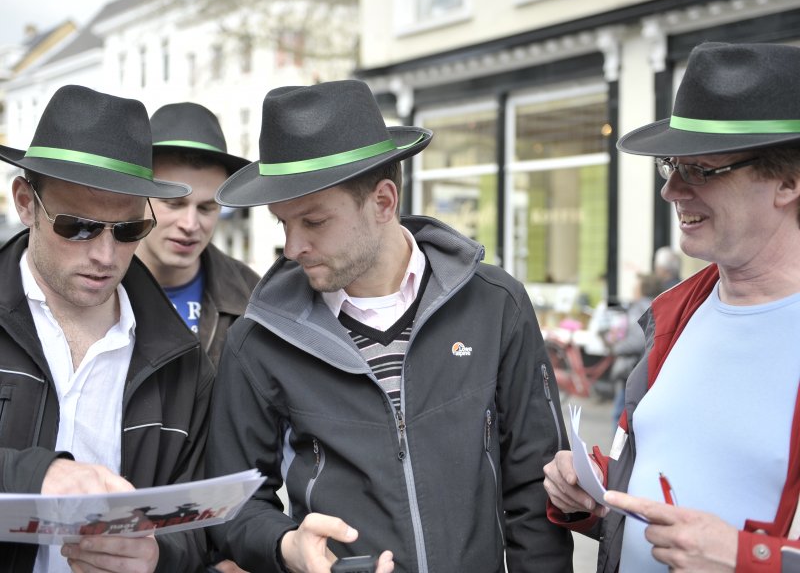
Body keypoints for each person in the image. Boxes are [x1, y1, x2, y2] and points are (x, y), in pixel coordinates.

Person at [205, 79, 573, 573]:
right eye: (282, 224)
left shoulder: (495, 304)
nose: (292, 247)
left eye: (313, 222)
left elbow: (536, 486)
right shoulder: (258, 340)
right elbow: (232, 504)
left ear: (382, 201)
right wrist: (285, 544)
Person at [543, 41, 800, 573]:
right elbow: (676, 492)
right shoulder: (678, 312)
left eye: (702, 170)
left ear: (788, 183)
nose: (672, 190)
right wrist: (597, 491)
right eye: (670, 165)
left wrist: (746, 558)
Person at [0, 85, 215, 572]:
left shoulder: (183, 362)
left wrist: (157, 556)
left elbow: (202, 532)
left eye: (127, 231)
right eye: (77, 227)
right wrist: (31, 477)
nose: (104, 255)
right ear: (25, 203)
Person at [136, 101, 260, 367]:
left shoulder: (254, 298)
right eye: (174, 203)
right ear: (137, 196)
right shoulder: (96, 283)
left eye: (206, 208)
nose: (190, 224)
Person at [606, 273, 661, 429]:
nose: (632, 290)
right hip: (646, 370)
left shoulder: (639, 307)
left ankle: (617, 453)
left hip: (631, 370)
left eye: (635, 286)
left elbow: (638, 341)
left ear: (642, 289)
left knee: (620, 416)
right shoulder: (657, 305)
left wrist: (616, 347)